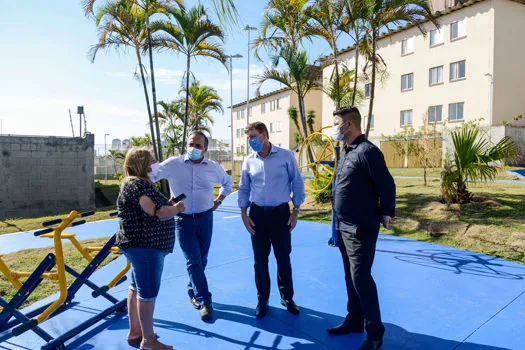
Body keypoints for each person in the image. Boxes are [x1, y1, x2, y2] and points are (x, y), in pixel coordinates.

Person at [327, 106, 396, 350]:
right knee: (351, 276)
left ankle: (375, 333)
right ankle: (354, 319)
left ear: (348, 124)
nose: (334, 127)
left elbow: (387, 184)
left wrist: (387, 211)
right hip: (344, 227)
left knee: (361, 277)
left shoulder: (368, 151)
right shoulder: (347, 151)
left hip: (360, 228)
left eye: (336, 123)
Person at [150, 131, 232, 321]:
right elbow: (151, 176)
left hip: (206, 218)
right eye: (191, 144)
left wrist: (218, 201)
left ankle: (192, 291)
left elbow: (227, 185)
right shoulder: (173, 164)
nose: (193, 148)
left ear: (205, 148)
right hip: (183, 221)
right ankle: (206, 301)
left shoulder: (213, 167)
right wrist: (150, 160)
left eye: (198, 145)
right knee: (194, 261)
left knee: (202, 260)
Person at [116, 147, 185, 350]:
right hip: (145, 247)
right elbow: (156, 212)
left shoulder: (135, 184)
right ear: (143, 164)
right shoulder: (138, 185)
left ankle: (136, 331)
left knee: (136, 287)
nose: (156, 163)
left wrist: (168, 205)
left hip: (140, 246)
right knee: (147, 293)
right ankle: (148, 341)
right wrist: (177, 208)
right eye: (152, 160)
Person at [238, 121, 305, 318]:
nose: (250, 141)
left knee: (283, 257)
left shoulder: (286, 156)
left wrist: (296, 211)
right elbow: (244, 188)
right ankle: (262, 299)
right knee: (260, 260)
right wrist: (244, 214)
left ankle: (287, 297)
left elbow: (297, 182)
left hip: (281, 214)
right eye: (248, 137)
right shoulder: (249, 161)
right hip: (257, 215)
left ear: (264, 135)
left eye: (253, 136)